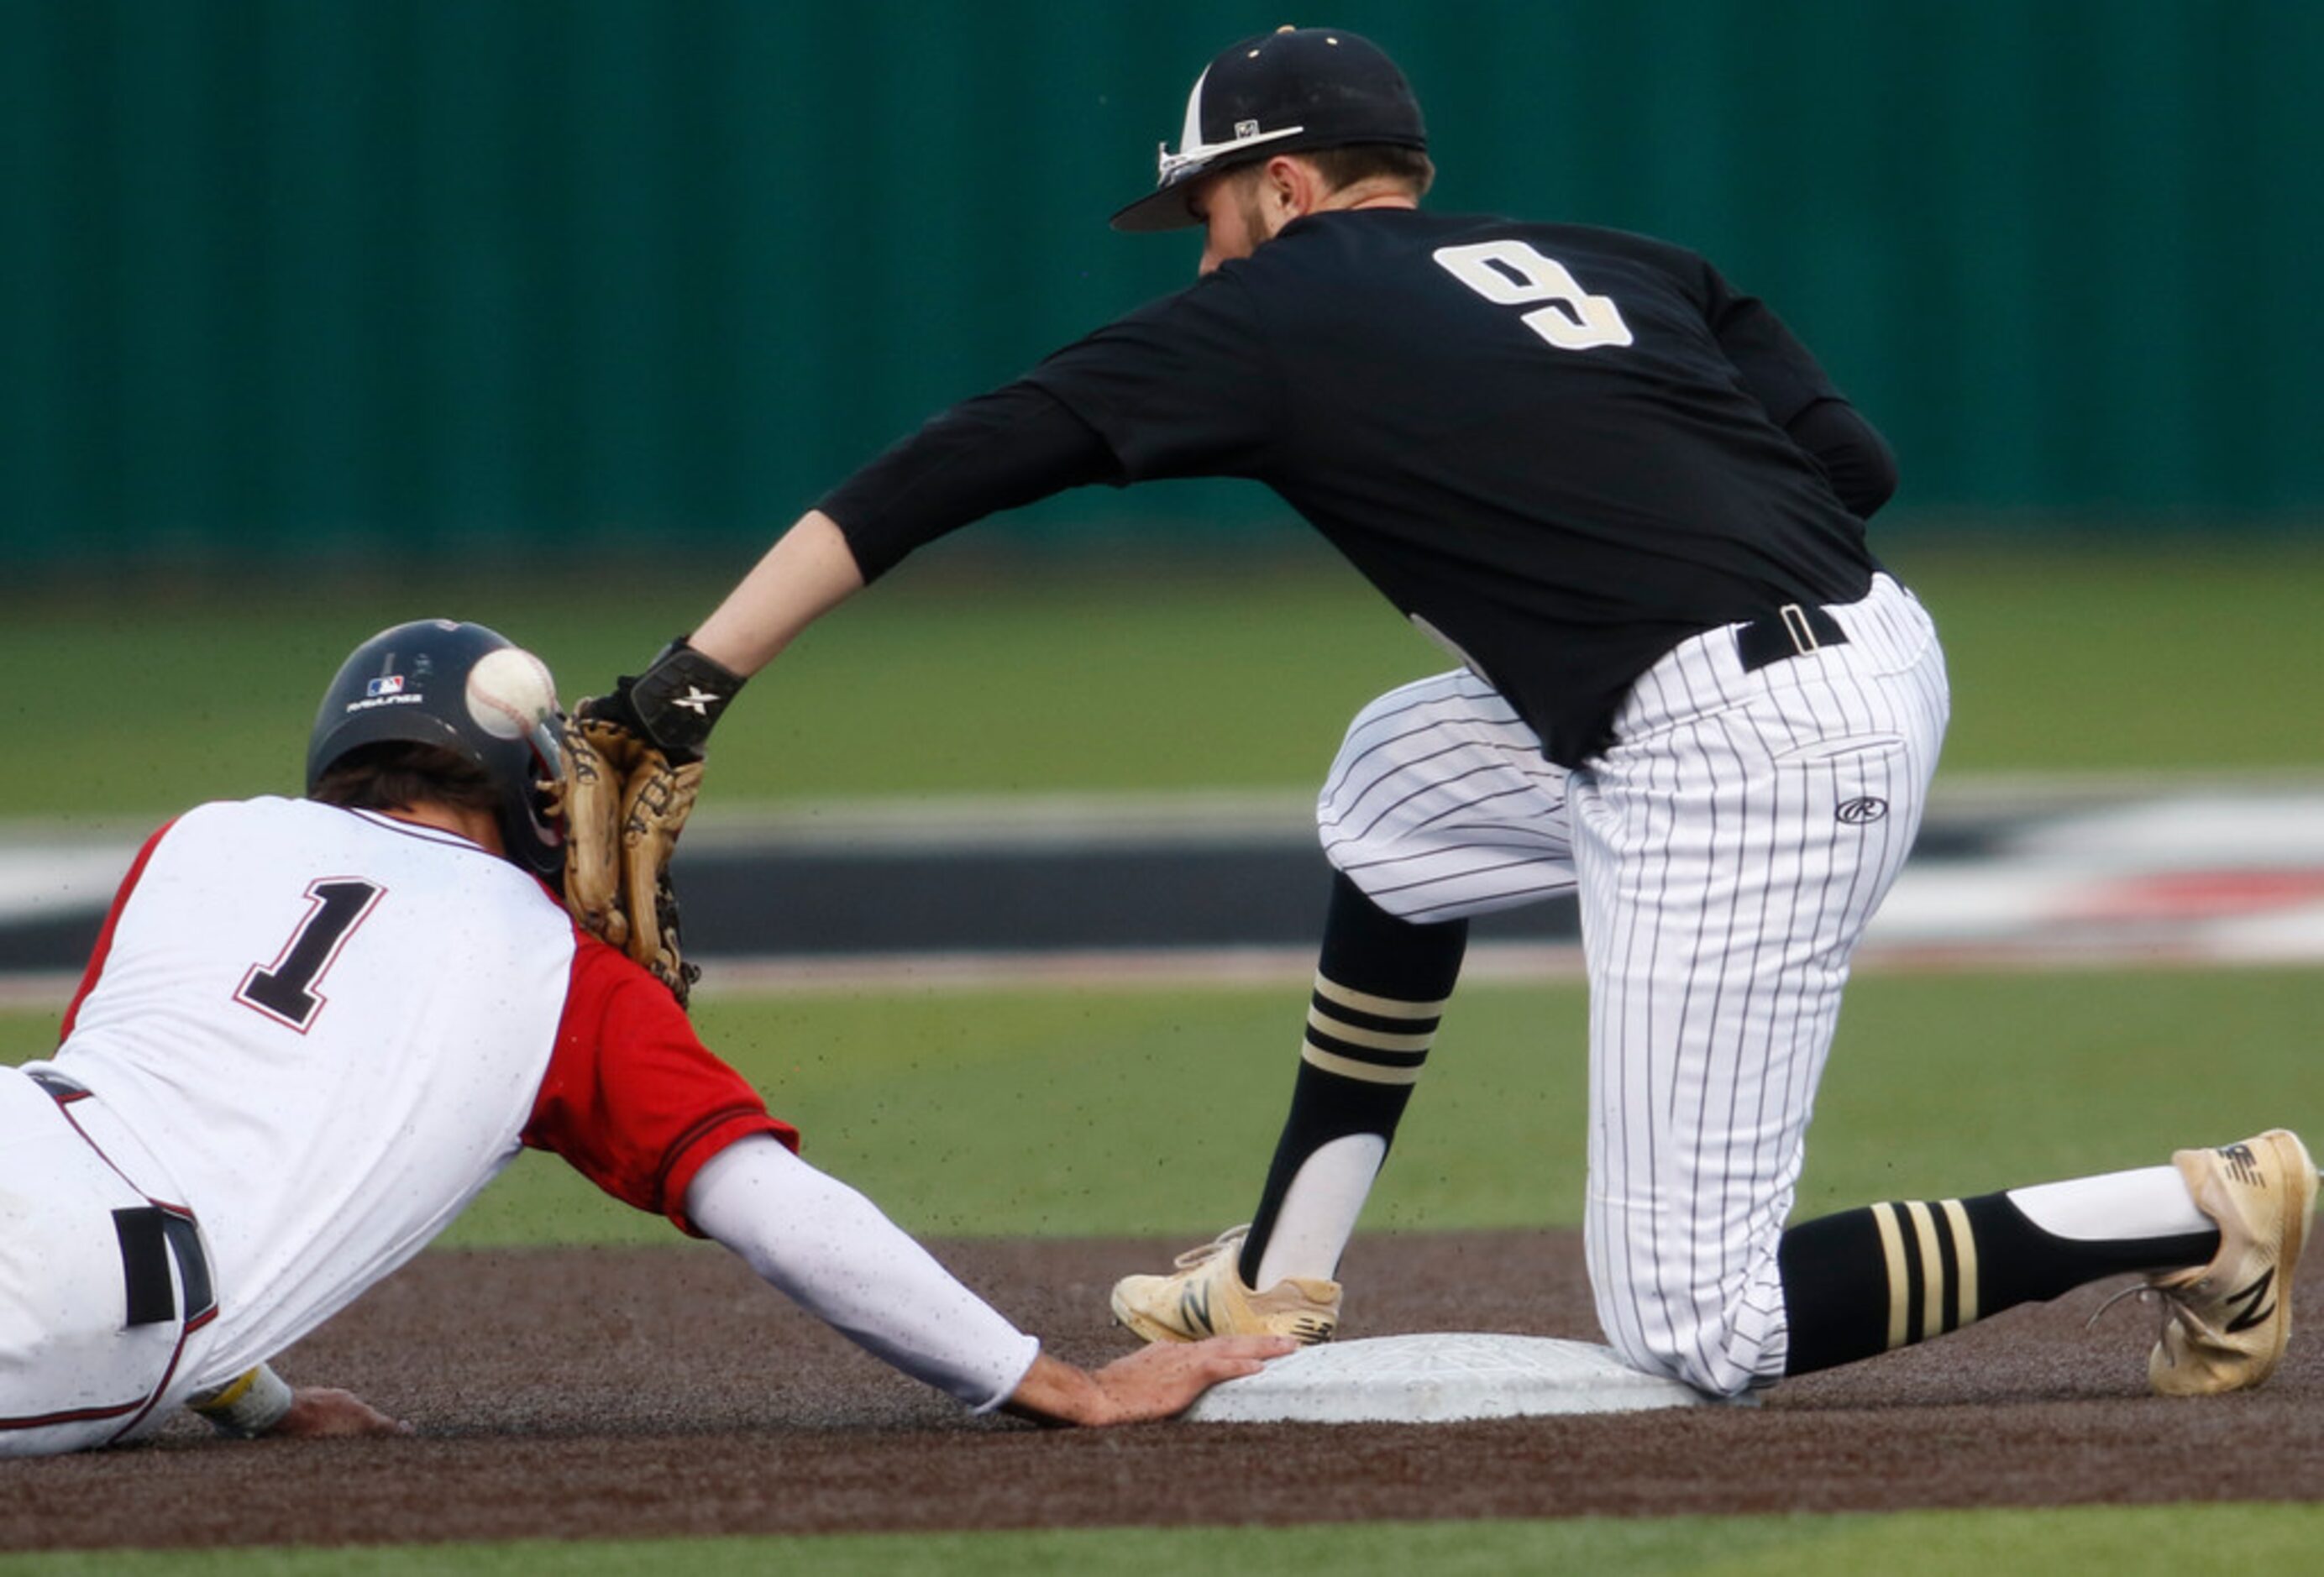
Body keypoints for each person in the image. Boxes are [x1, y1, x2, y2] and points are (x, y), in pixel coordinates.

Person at [586, 28, 2315, 1399]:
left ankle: (2196, 1208)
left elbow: (953, 463)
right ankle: (1276, 1265)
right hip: (1847, 648)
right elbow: (1852, 470)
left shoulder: (1273, 308)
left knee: (1701, 1329)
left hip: (1738, 749)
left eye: (1201, 213)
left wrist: (692, 679)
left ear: (1276, 188)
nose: (1200, 257)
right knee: (1402, 788)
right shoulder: (1627, 256)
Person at [0, 619, 1284, 1458]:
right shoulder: (559, 970)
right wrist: (1058, 1381)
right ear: (532, 791)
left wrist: (258, 1399)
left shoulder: (206, 837)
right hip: (92, 1297)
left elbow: (149, 1130)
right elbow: (775, 1209)